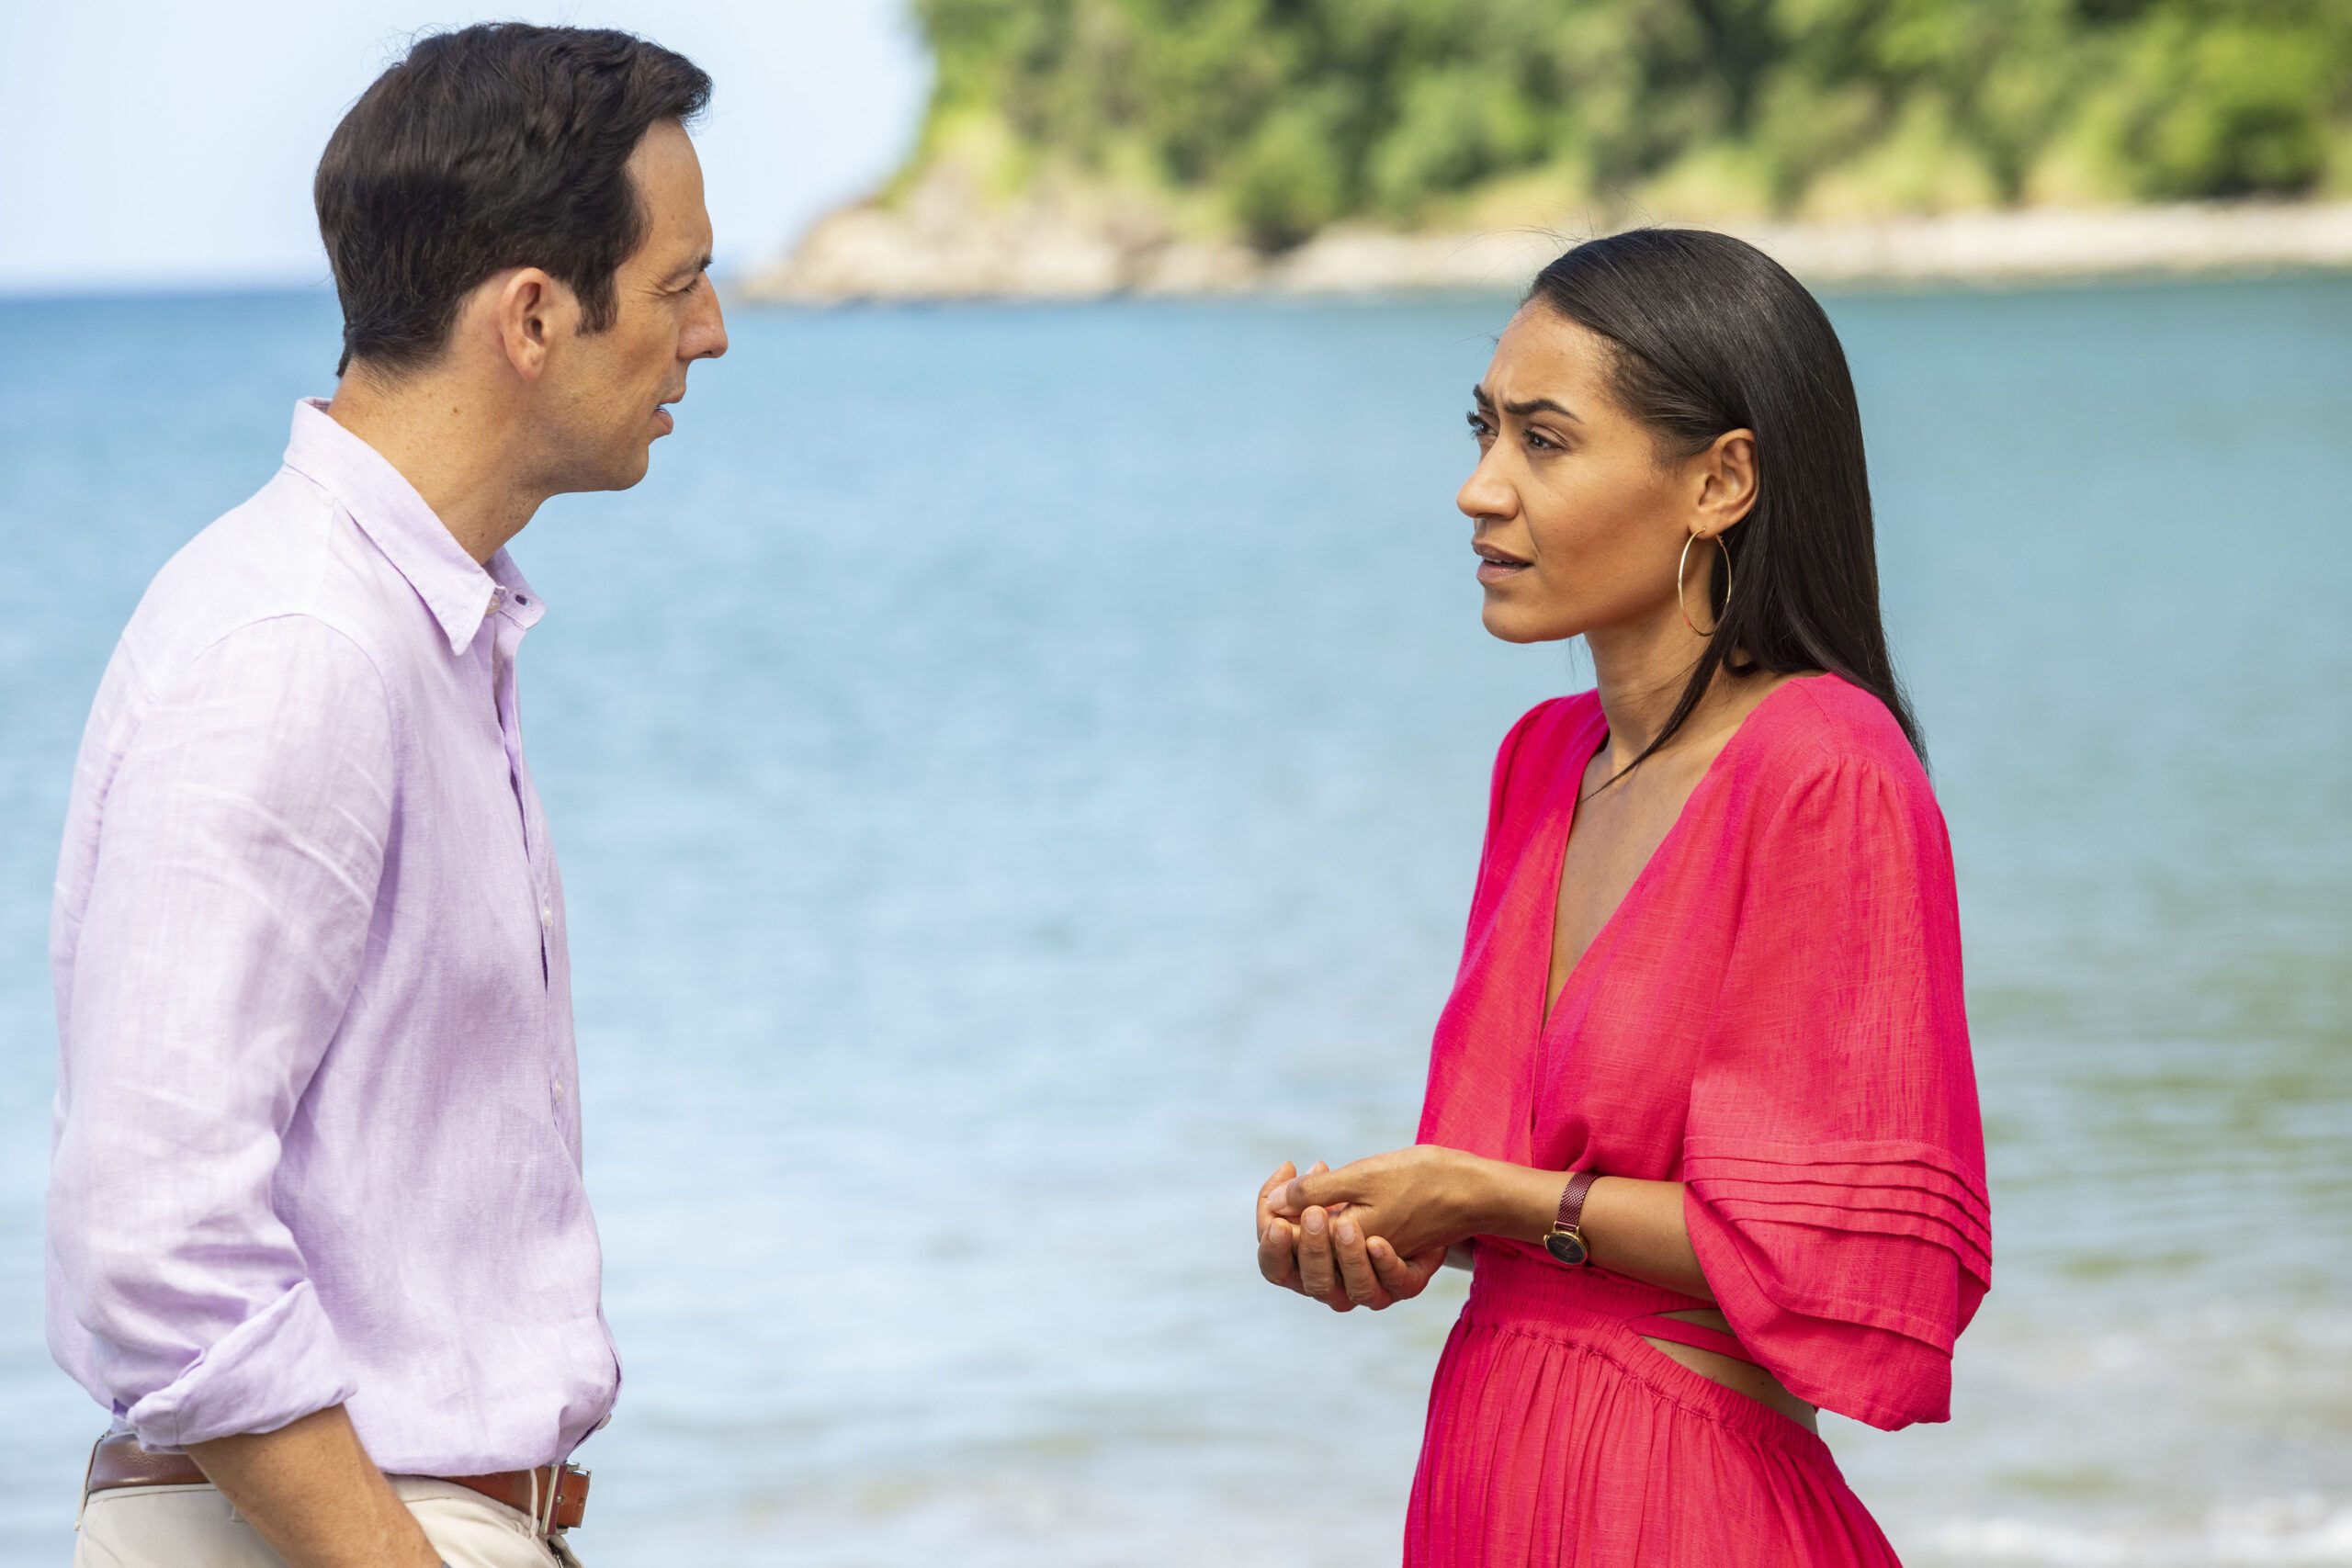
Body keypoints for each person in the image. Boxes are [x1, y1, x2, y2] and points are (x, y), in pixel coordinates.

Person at [46, 24, 727, 1568]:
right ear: (535, 315)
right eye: (682, 286)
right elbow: (148, 1243)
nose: (713, 335)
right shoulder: (298, 646)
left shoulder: (414, 627)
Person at [1253, 229, 1991, 1565]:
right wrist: (1379, 1230)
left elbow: (1811, 1253)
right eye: (1482, 431)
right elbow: (1535, 1211)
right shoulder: (1542, 765)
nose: (1480, 489)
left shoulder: (1824, 770)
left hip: (1680, 1502)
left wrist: (1476, 1192)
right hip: (1488, 1480)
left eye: (1543, 441)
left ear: (1720, 480)